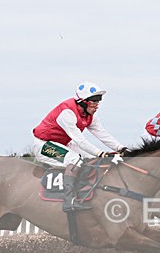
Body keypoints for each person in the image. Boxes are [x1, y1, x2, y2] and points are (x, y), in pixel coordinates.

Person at [32, 81, 127, 212]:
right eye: (94, 101)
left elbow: (102, 134)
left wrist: (121, 148)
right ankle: (69, 201)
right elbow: (80, 141)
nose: (97, 105)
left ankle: (82, 190)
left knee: (90, 160)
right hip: (44, 145)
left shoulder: (90, 116)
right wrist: (101, 153)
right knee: (75, 160)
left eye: (98, 101)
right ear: (82, 101)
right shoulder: (67, 113)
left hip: (63, 144)